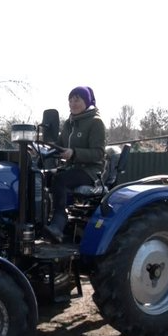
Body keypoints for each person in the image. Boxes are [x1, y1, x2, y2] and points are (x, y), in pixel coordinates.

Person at [44, 86, 107, 242]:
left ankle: (59, 223)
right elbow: (59, 144)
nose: (73, 103)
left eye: (77, 99)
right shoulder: (68, 123)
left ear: (86, 101)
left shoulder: (95, 123)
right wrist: (43, 147)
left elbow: (98, 153)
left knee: (60, 180)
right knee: (40, 177)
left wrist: (74, 153)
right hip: (71, 168)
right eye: (70, 100)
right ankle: (40, 220)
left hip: (90, 172)